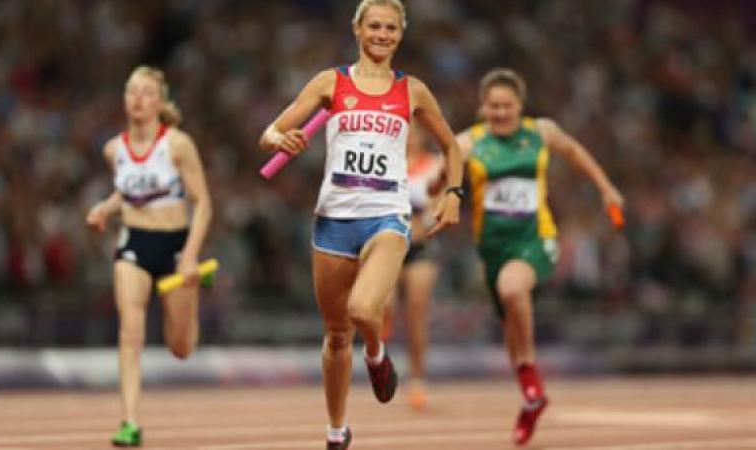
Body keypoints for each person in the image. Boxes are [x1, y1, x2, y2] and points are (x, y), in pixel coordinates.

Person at [259, 1, 463, 448]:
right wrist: (281, 138)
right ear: (357, 29)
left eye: (391, 28)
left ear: (400, 35)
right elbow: (271, 131)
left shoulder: (413, 91)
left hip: (386, 215)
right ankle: (337, 431)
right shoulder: (332, 81)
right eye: (374, 26)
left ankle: (376, 353)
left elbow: (452, 146)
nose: (382, 34)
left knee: (364, 311)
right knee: (335, 337)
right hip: (333, 220)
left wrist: (454, 194)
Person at [457, 68, 624, 446]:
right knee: (509, 319)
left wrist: (606, 188)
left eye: (508, 105)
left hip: (537, 238)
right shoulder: (469, 142)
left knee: (513, 289)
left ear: (520, 105)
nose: (501, 112)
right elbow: (441, 171)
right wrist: (438, 188)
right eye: (494, 106)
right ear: (483, 107)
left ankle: (532, 379)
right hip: (492, 246)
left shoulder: (541, 132)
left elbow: (575, 151)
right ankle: (531, 396)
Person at [86, 66, 213, 447]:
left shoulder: (177, 144)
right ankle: (129, 422)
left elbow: (203, 202)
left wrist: (190, 256)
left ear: (160, 102)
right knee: (130, 332)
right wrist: (105, 210)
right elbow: (129, 192)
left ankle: (194, 293)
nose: (137, 99)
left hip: (175, 248)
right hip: (134, 245)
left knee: (181, 347)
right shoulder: (114, 149)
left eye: (146, 92)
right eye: (131, 92)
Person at [381, 123, 444, 411]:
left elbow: (438, 205)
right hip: (388, 246)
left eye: (413, 132)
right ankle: (381, 359)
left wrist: (425, 224)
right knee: (384, 307)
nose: (407, 138)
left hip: (420, 247)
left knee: (416, 315)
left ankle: (417, 379)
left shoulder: (434, 165)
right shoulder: (384, 163)